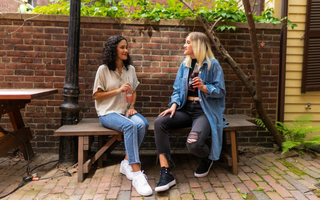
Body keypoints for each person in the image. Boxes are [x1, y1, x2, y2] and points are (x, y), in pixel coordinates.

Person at [154, 32, 226, 192]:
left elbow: (221, 91)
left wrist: (204, 87)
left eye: (188, 42)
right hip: (185, 110)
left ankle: (208, 157)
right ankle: (166, 171)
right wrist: (173, 104)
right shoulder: (184, 65)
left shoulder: (213, 65)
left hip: (204, 111)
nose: (184, 45)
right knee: (159, 122)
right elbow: (177, 89)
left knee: (193, 145)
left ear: (198, 45)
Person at [92, 35, 152, 196]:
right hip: (108, 112)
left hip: (125, 111)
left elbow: (135, 91)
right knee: (130, 125)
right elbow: (97, 96)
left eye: (126, 47)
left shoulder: (130, 69)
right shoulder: (103, 70)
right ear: (113, 50)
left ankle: (126, 162)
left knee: (143, 124)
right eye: (122, 47)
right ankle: (136, 171)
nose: (126, 50)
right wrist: (118, 90)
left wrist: (132, 106)